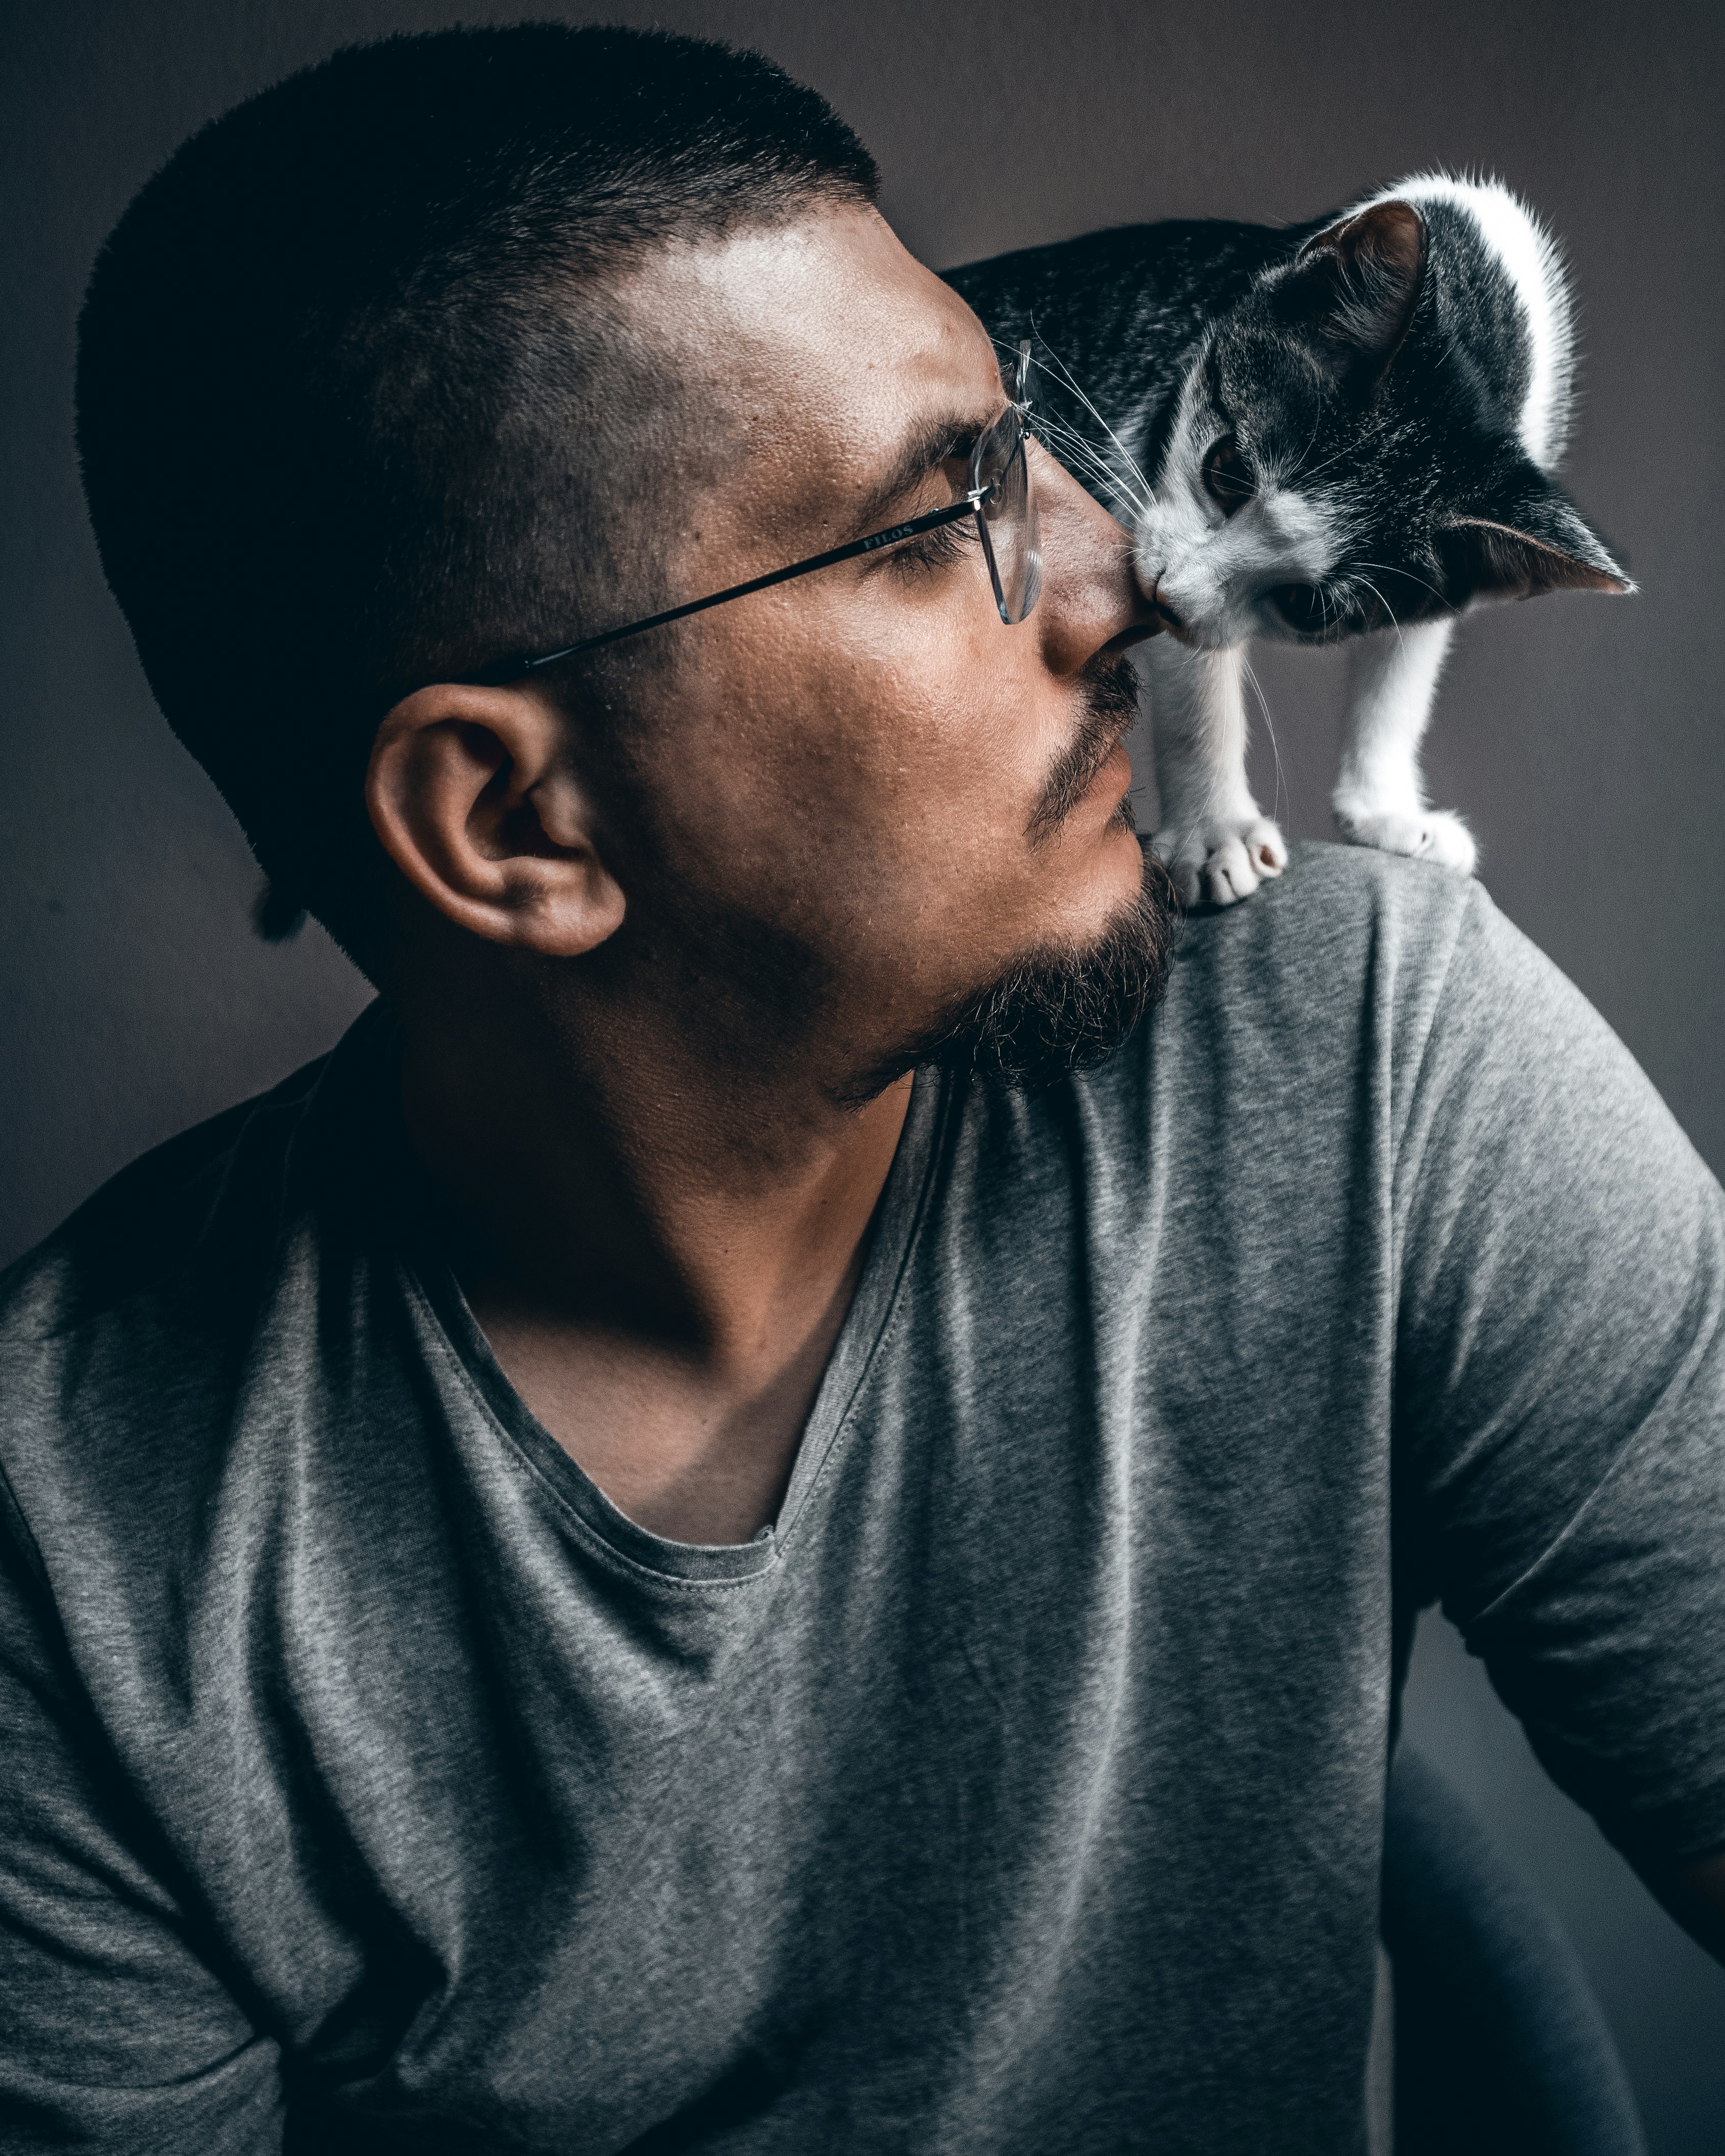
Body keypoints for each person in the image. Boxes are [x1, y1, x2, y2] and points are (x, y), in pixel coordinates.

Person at [2, 22, 1721, 2152]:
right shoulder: (79, 1570)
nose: (1121, 584)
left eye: (1040, 446)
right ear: (512, 822)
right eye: (941, 524)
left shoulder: (1357, 1050)